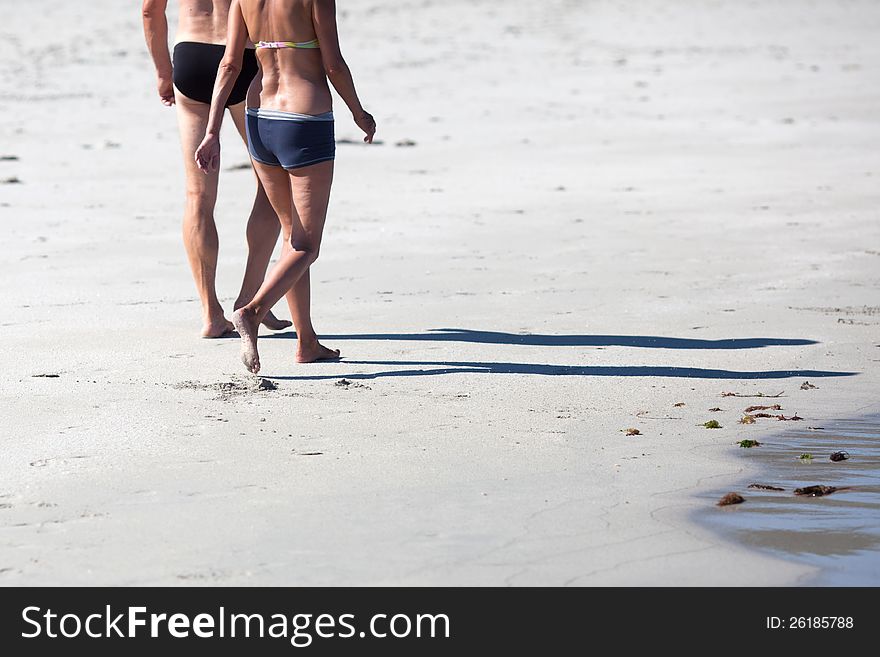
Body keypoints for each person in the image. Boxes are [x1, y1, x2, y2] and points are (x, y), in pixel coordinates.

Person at [195, 0, 375, 373]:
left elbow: (230, 64)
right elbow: (333, 64)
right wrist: (359, 112)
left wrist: (213, 130)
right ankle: (253, 310)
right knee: (307, 245)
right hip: (304, 119)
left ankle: (306, 341)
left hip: (259, 116)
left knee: (292, 239)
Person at [142, 0, 292, 337]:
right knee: (273, 186)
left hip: (190, 57)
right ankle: (251, 299)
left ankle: (211, 313)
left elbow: (150, 11)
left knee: (197, 195)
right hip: (243, 58)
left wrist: (164, 72)